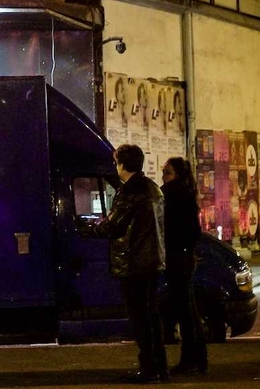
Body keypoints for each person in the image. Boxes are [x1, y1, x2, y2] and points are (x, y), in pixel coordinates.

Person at [79, 144, 168, 384]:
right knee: (152, 316)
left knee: (140, 318)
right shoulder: (153, 189)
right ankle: (160, 367)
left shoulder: (129, 192)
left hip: (134, 262)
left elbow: (113, 225)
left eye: (116, 162)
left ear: (122, 165)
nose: (115, 166)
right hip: (152, 261)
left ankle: (148, 369)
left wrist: (89, 228)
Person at [161, 157, 208, 376]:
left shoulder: (171, 195)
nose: (164, 177)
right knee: (189, 310)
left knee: (185, 311)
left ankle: (191, 359)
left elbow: (181, 230)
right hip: (184, 257)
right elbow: (195, 232)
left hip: (177, 258)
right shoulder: (187, 195)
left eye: (168, 172)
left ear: (177, 175)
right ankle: (198, 358)